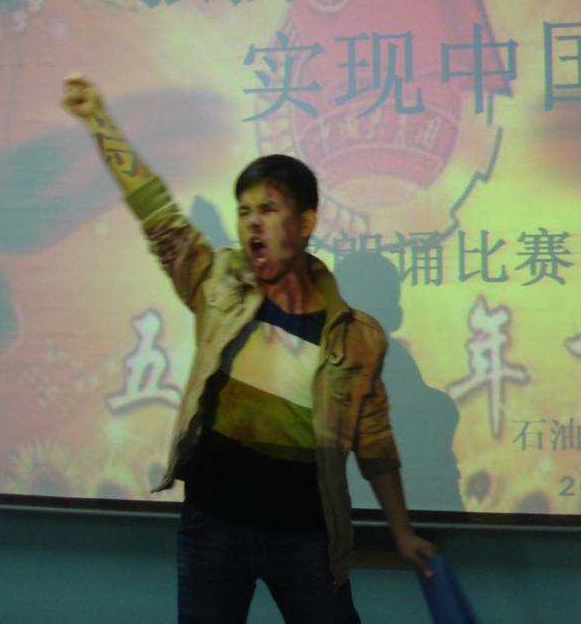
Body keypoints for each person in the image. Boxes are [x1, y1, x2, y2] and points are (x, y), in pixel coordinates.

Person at [62, 75, 435, 623]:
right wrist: (98, 120)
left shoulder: (355, 336)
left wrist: (402, 533)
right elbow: (160, 217)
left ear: (305, 223)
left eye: (268, 208)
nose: (251, 222)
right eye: (243, 211)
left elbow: (374, 441)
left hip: (306, 537)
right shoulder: (218, 286)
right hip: (212, 527)